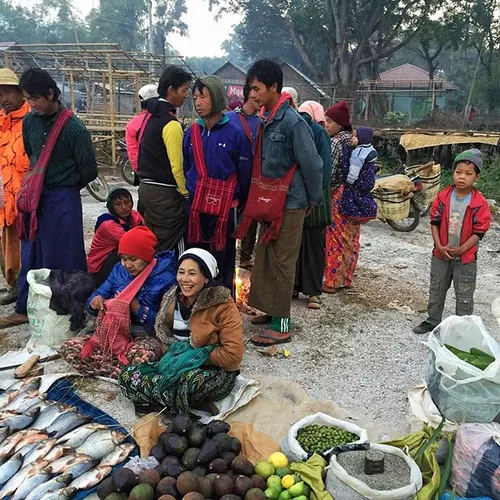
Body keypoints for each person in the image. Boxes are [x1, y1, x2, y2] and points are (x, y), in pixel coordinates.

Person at [0, 69, 97, 329]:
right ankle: (25, 307)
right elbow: (31, 155)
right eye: (28, 99)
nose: (32, 105)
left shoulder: (74, 128)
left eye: (35, 99)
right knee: (31, 251)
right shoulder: (29, 122)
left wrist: (63, 185)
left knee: (64, 255)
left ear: (51, 94)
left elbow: (89, 170)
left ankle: (70, 310)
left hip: (63, 199)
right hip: (35, 198)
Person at [237, 59, 323, 345]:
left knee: (283, 263)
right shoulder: (268, 118)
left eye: (257, 88)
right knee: (266, 259)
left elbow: (312, 164)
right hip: (271, 203)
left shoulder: (292, 122)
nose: (253, 94)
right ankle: (271, 311)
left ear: (274, 87)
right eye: (251, 89)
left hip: (291, 202)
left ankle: (283, 324)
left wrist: (313, 198)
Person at [119, 248, 244, 416]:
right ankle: (178, 402)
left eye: (192, 273)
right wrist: (167, 356)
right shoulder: (171, 298)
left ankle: (156, 400)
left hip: (211, 371)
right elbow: (165, 338)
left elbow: (233, 355)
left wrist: (192, 357)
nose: (185, 279)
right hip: (174, 365)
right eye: (181, 272)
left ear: (206, 278)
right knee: (128, 375)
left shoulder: (223, 306)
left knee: (189, 382)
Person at [61, 226, 177, 378]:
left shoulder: (166, 278)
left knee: (142, 358)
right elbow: (98, 294)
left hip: (146, 336)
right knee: (69, 349)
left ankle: (114, 368)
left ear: (147, 256)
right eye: (124, 259)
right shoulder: (118, 271)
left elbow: (167, 324)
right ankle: (124, 373)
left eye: (133, 259)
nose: (128, 265)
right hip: (114, 334)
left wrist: (138, 309)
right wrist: (95, 302)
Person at [183, 75, 252, 293]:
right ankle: (195, 306)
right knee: (195, 256)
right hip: (196, 207)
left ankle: (222, 307)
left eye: (203, 97)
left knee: (223, 257)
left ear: (217, 98)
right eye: (195, 97)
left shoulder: (236, 135)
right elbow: (188, 166)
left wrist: (237, 201)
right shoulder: (191, 133)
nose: (198, 103)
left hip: (225, 208)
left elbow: (245, 173)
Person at [413, 149, 491, 334]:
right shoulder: (443, 197)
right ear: (453, 172)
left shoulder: (479, 202)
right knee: (437, 289)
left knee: (464, 294)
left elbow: (479, 231)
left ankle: (461, 329)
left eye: (468, 174)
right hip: (440, 254)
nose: (462, 177)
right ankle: (432, 321)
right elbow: (434, 222)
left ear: (476, 177)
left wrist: (462, 249)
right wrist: (439, 246)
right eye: (458, 172)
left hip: (465, 259)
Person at [137, 66, 192, 254]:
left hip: (146, 189)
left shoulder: (150, 116)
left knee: (154, 242)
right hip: (164, 194)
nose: (187, 96)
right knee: (172, 242)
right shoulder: (170, 124)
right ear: (171, 90)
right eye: (184, 90)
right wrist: (186, 194)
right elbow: (177, 166)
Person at [294, 101, 332, 309]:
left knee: (309, 244)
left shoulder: (316, 132)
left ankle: (311, 291)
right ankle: (304, 289)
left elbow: (324, 168)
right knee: (303, 246)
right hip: (307, 196)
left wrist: (313, 195)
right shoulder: (314, 130)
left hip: (311, 196)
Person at [0, 69, 30, 306]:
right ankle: (13, 285)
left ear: (21, 93)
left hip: (26, 192)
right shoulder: (2, 121)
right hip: (4, 189)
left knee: (28, 240)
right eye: (1, 93)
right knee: (8, 238)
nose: (4, 98)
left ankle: (26, 287)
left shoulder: (31, 119)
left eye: (9, 92)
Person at [322, 101, 358, 293]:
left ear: (339, 123)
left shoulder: (335, 142)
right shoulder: (353, 140)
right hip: (353, 196)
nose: (326, 125)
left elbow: (331, 174)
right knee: (350, 238)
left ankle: (332, 281)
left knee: (334, 238)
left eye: (329, 121)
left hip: (337, 195)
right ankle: (346, 278)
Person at [226, 83, 260, 269]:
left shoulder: (262, 122)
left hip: (254, 179)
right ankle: (228, 255)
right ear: (249, 95)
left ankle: (245, 257)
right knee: (229, 219)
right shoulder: (229, 119)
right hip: (232, 178)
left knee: (251, 218)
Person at [87, 188, 145, 287]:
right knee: (127, 249)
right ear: (111, 206)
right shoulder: (107, 224)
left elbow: (145, 234)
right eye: (118, 204)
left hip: (118, 260)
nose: (124, 207)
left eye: (127, 202)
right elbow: (133, 242)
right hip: (100, 267)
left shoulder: (134, 215)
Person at [339, 126, 378, 223]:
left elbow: (354, 170)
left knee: (353, 197)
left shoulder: (358, 153)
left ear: (362, 138)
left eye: (355, 136)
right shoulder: (369, 149)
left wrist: (349, 181)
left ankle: (355, 215)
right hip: (369, 181)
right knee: (365, 197)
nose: (352, 138)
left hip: (361, 182)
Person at [125, 84, 159, 172]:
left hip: (144, 173)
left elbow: (133, 152)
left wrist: (139, 170)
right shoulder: (165, 120)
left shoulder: (132, 124)